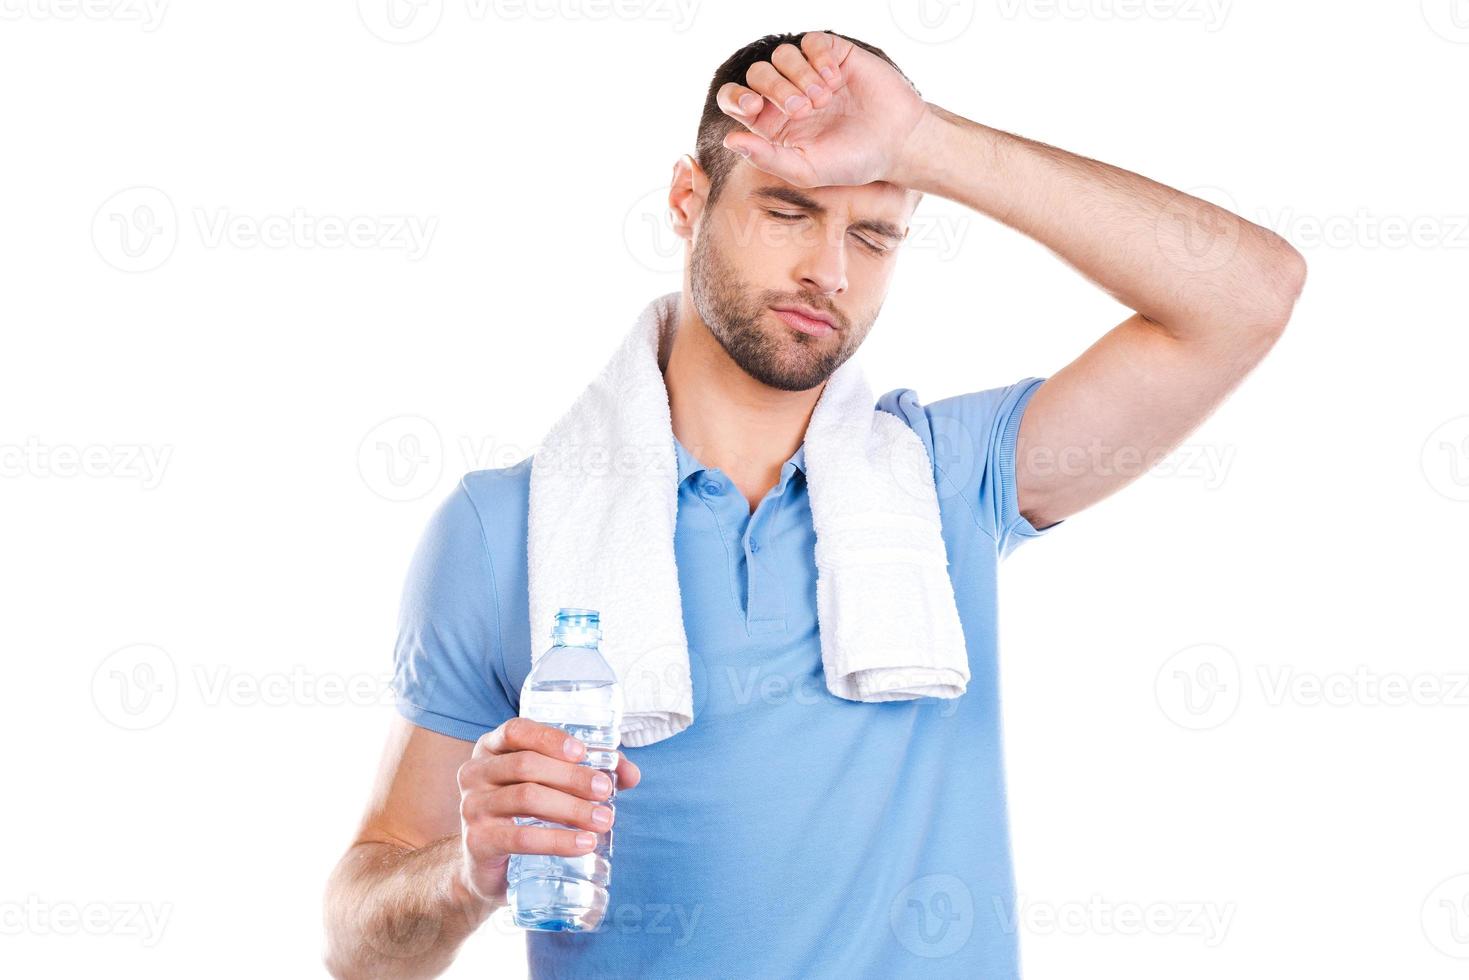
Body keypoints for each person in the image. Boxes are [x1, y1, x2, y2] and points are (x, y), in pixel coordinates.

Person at [323, 29, 1304, 978]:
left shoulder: (946, 481)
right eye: (789, 210)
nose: (828, 273)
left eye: (873, 232)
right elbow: (358, 945)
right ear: (685, 198)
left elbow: (1248, 296)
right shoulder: (506, 530)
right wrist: (466, 870)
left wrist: (925, 143)